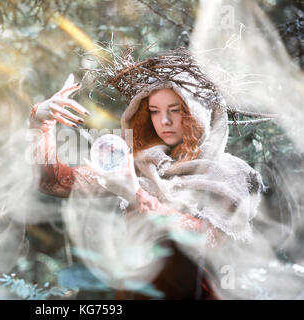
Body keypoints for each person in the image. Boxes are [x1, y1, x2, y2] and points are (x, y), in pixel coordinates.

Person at [29, 48, 264, 299]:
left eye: (175, 110)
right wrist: (41, 123)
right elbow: (53, 182)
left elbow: (208, 240)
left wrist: (135, 195)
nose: (163, 121)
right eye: (154, 111)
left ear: (201, 113)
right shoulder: (139, 165)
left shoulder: (231, 174)